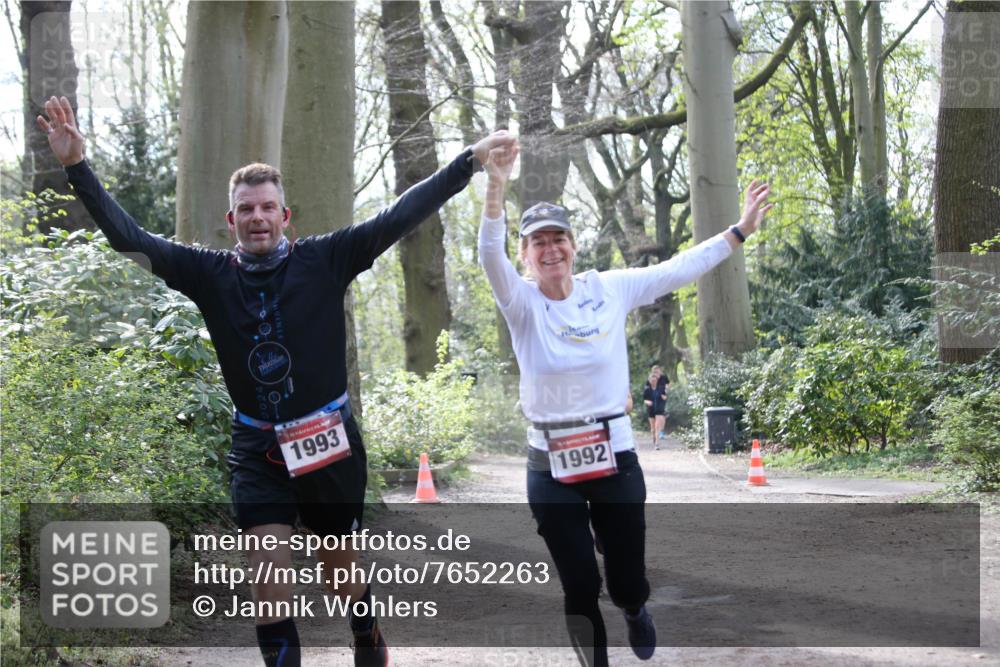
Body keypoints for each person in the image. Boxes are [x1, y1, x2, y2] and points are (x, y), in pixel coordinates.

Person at [37, 95, 515, 667]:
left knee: (341, 576)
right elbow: (131, 238)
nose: (258, 217)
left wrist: (469, 160)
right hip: (257, 445)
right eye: (247, 209)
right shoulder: (207, 274)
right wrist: (77, 168)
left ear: (285, 216)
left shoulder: (326, 258)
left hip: (328, 441)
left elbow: (400, 215)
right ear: (231, 219)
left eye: (268, 207)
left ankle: (365, 633)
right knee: (267, 576)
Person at [477, 137, 771, 666]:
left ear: (572, 246)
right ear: (523, 254)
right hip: (550, 463)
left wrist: (739, 232)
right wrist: (496, 187)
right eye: (536, 242)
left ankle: (635, 609)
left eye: (558, 239)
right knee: (579, 583)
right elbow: (485, 252)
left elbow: (677, 269)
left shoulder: (608, 289)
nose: (549, 250)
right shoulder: (520, 302)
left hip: (613, 454)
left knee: (626, 580)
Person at [641, 366, 668, 450]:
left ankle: (657, 444)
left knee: (657, 427)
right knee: (653, 429)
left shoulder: (661, 388)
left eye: (655, 380)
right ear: (649, 381)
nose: (653, 381)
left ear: (657, 381)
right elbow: (644, 400)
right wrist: (647, 402)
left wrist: (664, 397)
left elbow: (665, 396)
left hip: (659, 409)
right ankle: (654, 438)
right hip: (651, 410)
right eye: (652, 380)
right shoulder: (647, 390)